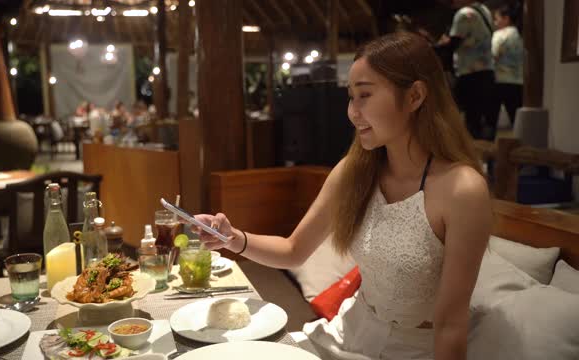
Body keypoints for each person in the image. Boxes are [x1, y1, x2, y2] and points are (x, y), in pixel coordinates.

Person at [191, 32, 491, 359]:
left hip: (415, 350)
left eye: (364, 95)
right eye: (351, 97)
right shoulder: (355, 170)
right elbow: (293, 250)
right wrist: (233, 238)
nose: (352, 112)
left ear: (415, 96)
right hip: (347, 333)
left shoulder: (462, 190)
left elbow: (450, 324)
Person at [437, 0, 496, 140]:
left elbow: (453, 44)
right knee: (481, 118)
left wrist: (436, 45)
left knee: (467, 117)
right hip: (486, 70)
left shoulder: (464, 14)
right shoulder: (484, 10)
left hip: (469, 73)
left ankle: (469, 154)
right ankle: (484, 157)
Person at [491, 4, 523, 127]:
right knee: (516, 119)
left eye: (497, 18)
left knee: (492, 118)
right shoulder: (521, 35)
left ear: (506, 18)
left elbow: (493, 55)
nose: (495, 22)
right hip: (518, 81)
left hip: (500, 80)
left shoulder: (499, 35)